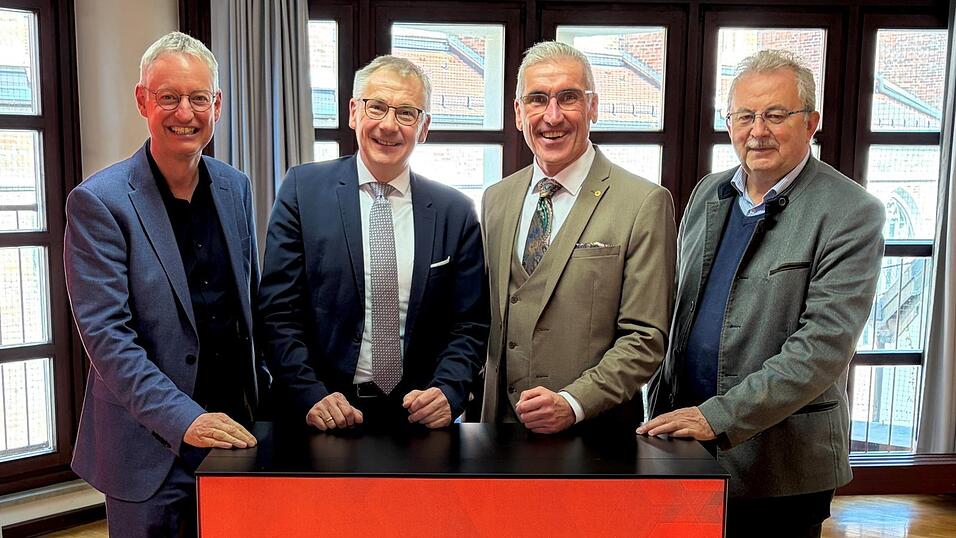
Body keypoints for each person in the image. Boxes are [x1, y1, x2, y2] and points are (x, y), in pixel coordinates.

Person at [641, 50, 885, 537]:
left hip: (782, 468)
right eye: (744, 116)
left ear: (812, 121)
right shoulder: (708, 193)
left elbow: (822, 349)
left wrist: (717, 416)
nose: (758, 131)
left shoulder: (852, 211)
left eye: (776, 114)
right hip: (683, 442)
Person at [64, 32, 264, 537]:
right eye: (168, 97)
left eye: (199, 98)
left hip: (236, 435)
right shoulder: (99, 203)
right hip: (149, 449)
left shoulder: (235, 186)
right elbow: (109, 340)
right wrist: (185, 421)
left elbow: (250, 311)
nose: (185, 113)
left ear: (216, 105)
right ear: (142, 101)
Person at [258, 55, 488, 431]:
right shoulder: (302, 190)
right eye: (377, 107)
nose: (388, 125)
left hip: (418, 422)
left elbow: (470, 324)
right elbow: (277, 312)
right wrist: (309, 393)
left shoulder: (455, 211)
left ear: (424, 127)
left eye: (407, 113)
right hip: (321, 416)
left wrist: (448, 389)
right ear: (353, 112)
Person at [479, 41, 676, 434]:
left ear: (593, 107)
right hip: (497, 438)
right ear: (519, 113)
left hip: (594, 440)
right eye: (537, 99)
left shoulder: (644, 203)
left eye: (568, 97)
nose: (552, 116)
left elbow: (645, 338)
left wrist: (573, 403)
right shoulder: (495, 199)